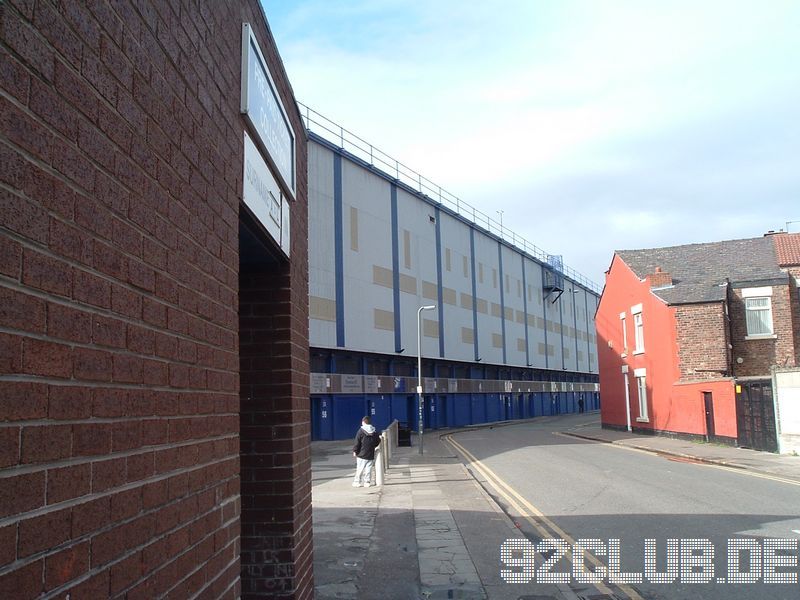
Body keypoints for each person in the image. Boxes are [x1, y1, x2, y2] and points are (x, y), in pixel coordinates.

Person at [352, 416, 380, 488]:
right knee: (368, 468)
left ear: (363, 422)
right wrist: (373, 446)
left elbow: (357, 442)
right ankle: (367, 482)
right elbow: (378, 441)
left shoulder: (361, 431)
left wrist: (355, 451)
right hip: (370, 453)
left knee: (360, 468)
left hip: (361, 454)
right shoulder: (374, 431)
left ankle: (357, 482)